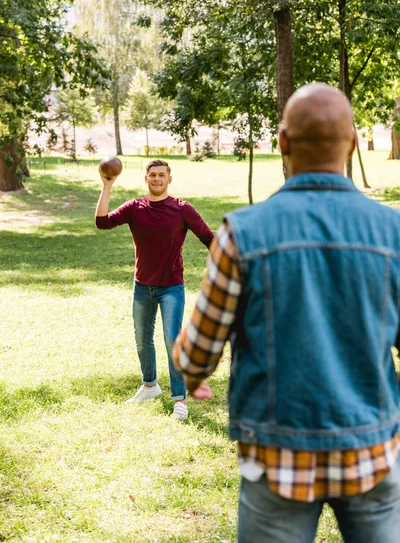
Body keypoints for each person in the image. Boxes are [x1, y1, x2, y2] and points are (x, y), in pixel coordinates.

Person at [174, 83, 400, 541]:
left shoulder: (242, 233)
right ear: (354, 142)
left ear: (281, 141)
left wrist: (193, 376)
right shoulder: (392, 231)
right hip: (371, 448)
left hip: (276, 454)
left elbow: (198, 349)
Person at [95, 159, 213, 420]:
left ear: (169, 179)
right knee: (142, 339)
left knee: (172, 340)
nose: (157, 179)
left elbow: (208, 238)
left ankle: (180, 400)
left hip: (171, 286)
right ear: (145, 179)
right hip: (142, 286)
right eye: (152, 175)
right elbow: (102, 223)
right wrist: (107, 186)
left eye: (161, 175)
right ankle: (150, 385)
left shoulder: (183, 209)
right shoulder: (135, 208)